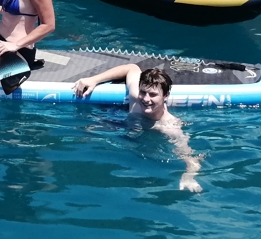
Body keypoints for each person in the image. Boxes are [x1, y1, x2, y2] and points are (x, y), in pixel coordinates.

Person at [73, 64, 202, 192]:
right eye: (143, 92)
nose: (146, 99)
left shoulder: (169, 127)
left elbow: (190, 157)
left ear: (166, 96)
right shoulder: (136, 98)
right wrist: (93, 80)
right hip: (119, 120)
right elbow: (132, 67)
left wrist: (188, 177)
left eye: (153, 95)